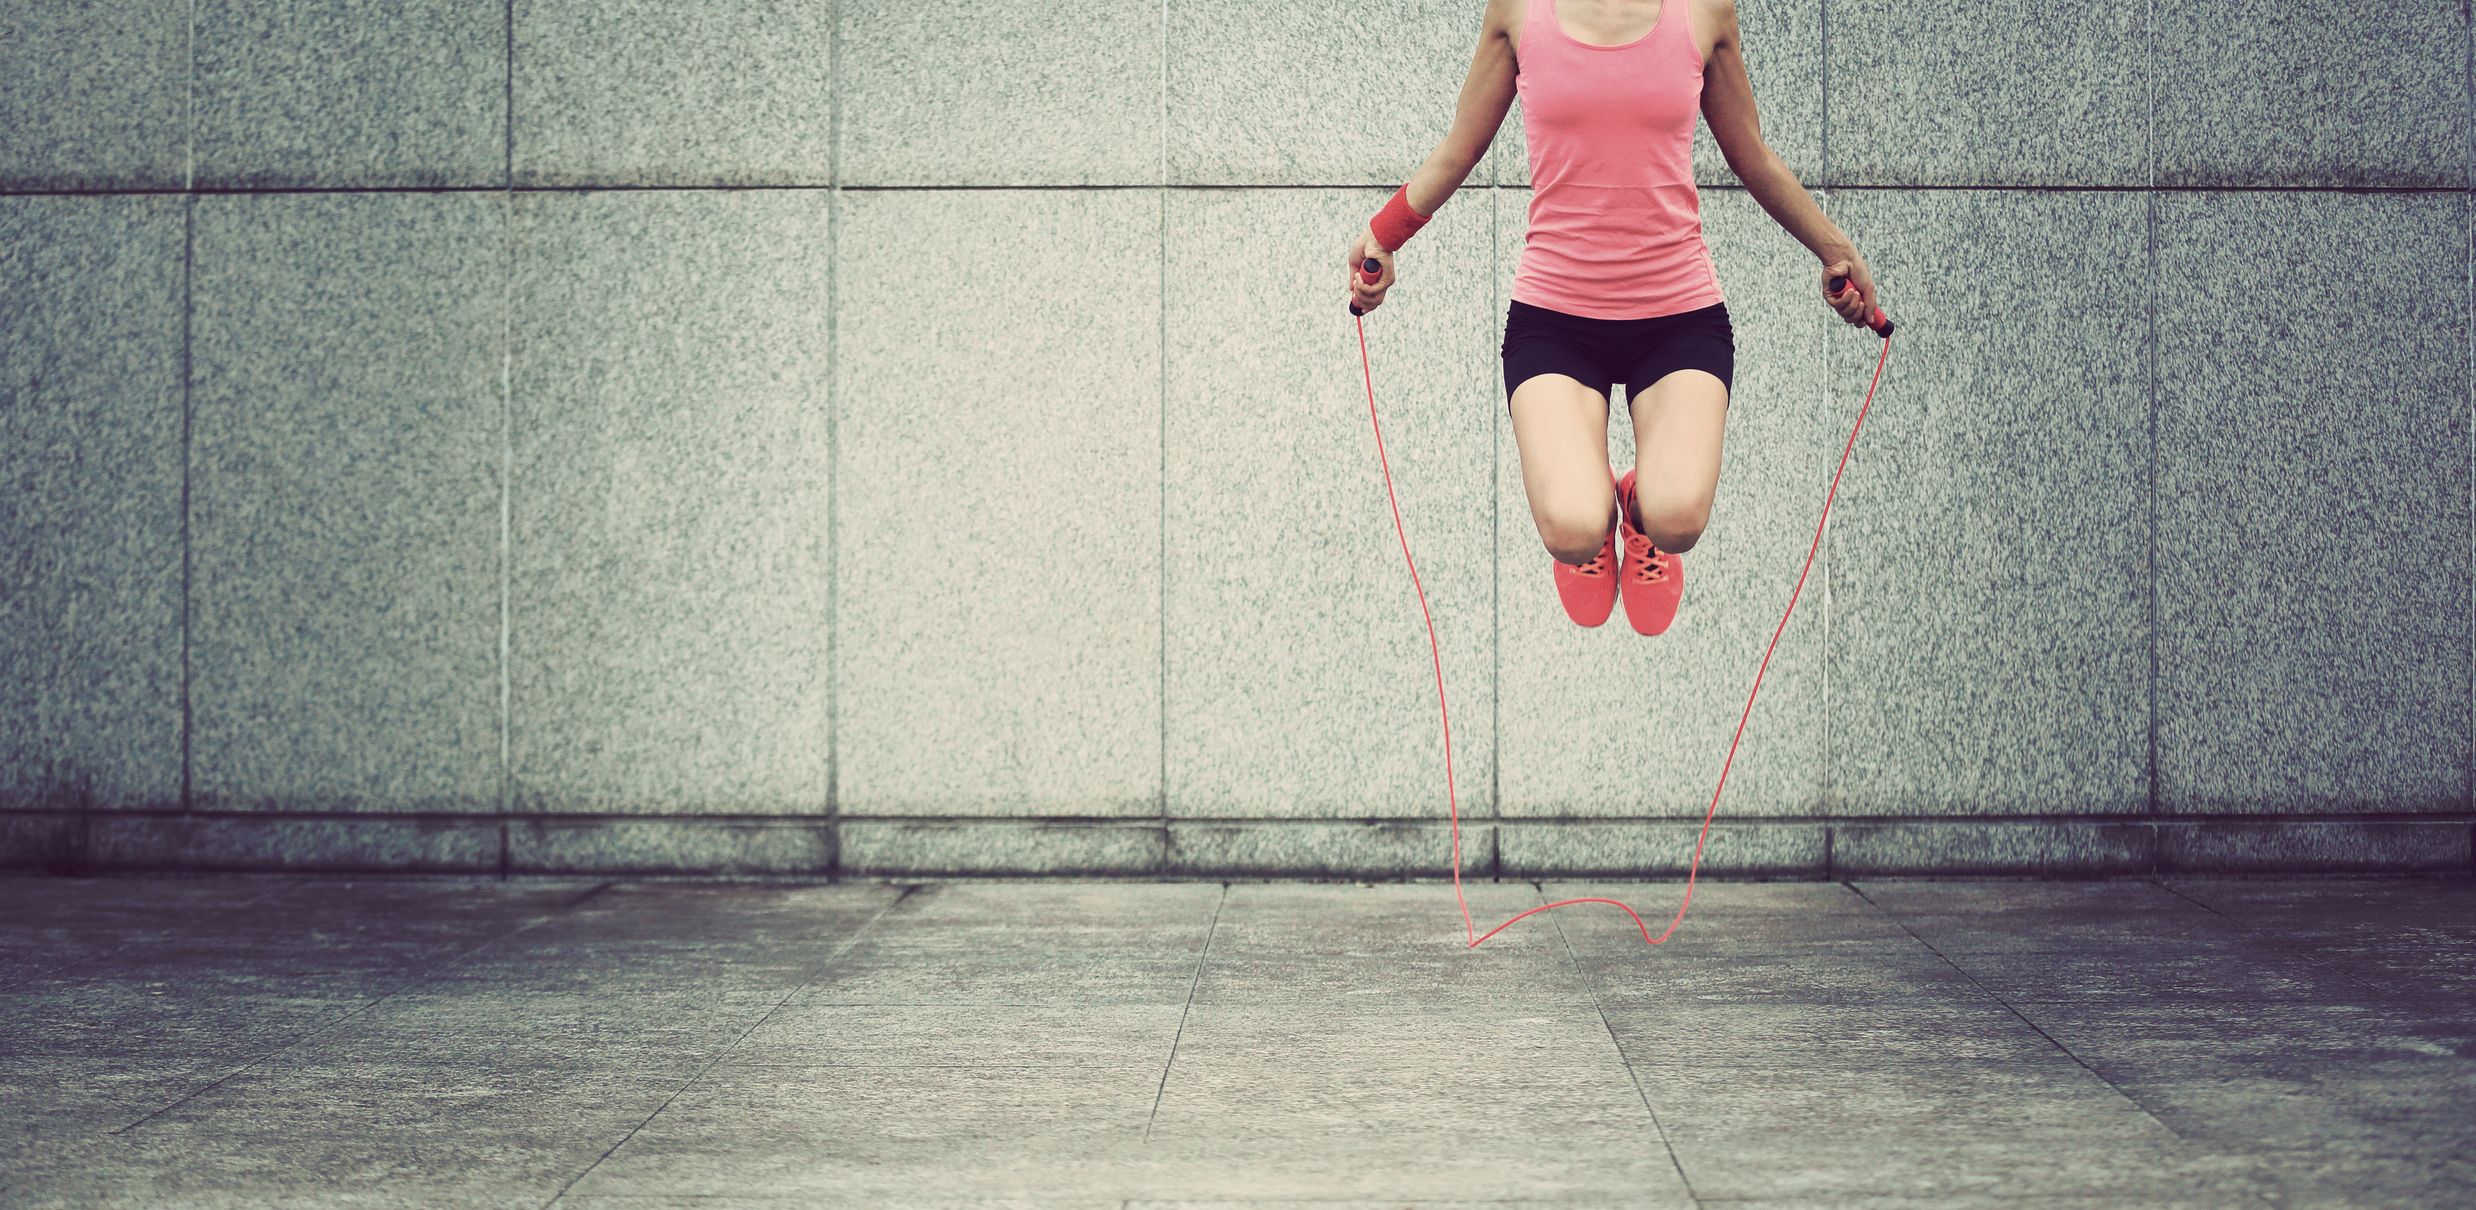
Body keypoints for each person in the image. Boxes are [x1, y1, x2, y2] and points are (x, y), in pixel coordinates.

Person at [1347, 0, 1882, 635]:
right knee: (1572, 529)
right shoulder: (1518, 11)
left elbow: (1753, 156)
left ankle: (1636, 505)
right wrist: (1384, 236)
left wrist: (1836, 251)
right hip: (1554, 319)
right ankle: (1597, 517)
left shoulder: (1706, 12)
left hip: (1679, 316)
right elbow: (1458, 149)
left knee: (1678, 518)